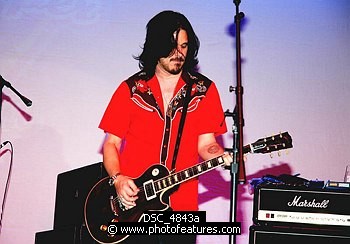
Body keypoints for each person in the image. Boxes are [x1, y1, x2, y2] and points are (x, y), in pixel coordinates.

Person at [99, 10, 231, 244]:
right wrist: (118, 180)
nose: (178, 54)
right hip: (134, 207)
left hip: (183, 209)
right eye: (171, 47)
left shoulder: (204, 90)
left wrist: (223, 156)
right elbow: (111, 144)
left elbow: (207, 144)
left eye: (184, 46)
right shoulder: (131, 89)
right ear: (155, 46)